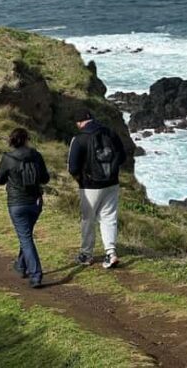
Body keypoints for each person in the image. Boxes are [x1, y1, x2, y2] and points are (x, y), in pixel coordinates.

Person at [68, 109, 126, 269]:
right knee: (109, 218)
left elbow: (72, 167)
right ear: (92, 119)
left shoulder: (79, 139)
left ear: (79, 123)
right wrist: (111, 171)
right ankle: (111, 253)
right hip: (112, 183)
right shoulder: (110, 133)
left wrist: (79, 178)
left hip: (89, 185)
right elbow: (122, 156)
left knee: (88, 218)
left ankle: (86, 254)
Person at [0, 127, 49, 288]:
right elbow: (45, 178)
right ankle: (21, 265)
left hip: (17, 204)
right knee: (26, 236)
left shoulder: (7, 158)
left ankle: (36, 275)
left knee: (25, 237)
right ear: (27, 139)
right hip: (35, 203)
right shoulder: (36, 155)